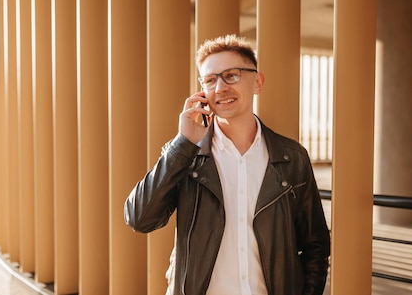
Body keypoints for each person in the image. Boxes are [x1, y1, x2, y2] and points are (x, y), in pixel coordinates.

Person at [124, 34, 330, 295]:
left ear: (257, 82)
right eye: (210, 80)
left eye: (231, 75)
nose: (220, 87)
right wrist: (182, 144)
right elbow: (140, 218)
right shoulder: (186, 155)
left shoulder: (292, 158)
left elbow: (316, 246)